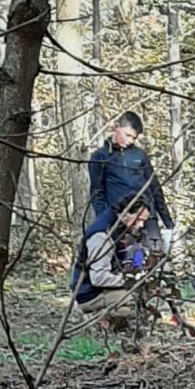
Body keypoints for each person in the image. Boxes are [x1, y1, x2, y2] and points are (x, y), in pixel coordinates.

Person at [72, 111, 173, 326]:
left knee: (150, 261)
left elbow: (154, 187)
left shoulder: (139, 156)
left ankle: (163, 312)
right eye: (127, 135)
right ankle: (117, 312)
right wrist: (107, 222)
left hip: (147, 217)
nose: (130, 141)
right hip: (121, 220)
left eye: (134, 138)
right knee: (124, 262)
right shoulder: (100, 156)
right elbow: (97, 191)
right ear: (116, 128)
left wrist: (168, 222)